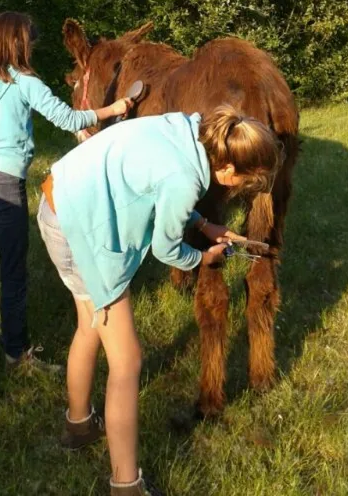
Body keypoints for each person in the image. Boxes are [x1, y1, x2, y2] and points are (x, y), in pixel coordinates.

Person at [37, 105, 283, 496]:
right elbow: (166, 248)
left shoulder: (185, 131)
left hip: (59, 201)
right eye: (243, 184)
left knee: (89, 324)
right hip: (77, 224)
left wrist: (203, 224)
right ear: (229, 172)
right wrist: (202, 257)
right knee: (127, 359)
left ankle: (79, 425)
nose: (236, 192)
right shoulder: (185, 179)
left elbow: (155, 182)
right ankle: (125, 483)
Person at [0, 11, 130, 369]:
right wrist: (113, 108)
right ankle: (16, 352)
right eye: (29, 42)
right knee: (14, 270)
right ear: (19, 43)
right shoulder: (24, 82)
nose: (31, 48)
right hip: (3, 186)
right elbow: (68, 118)